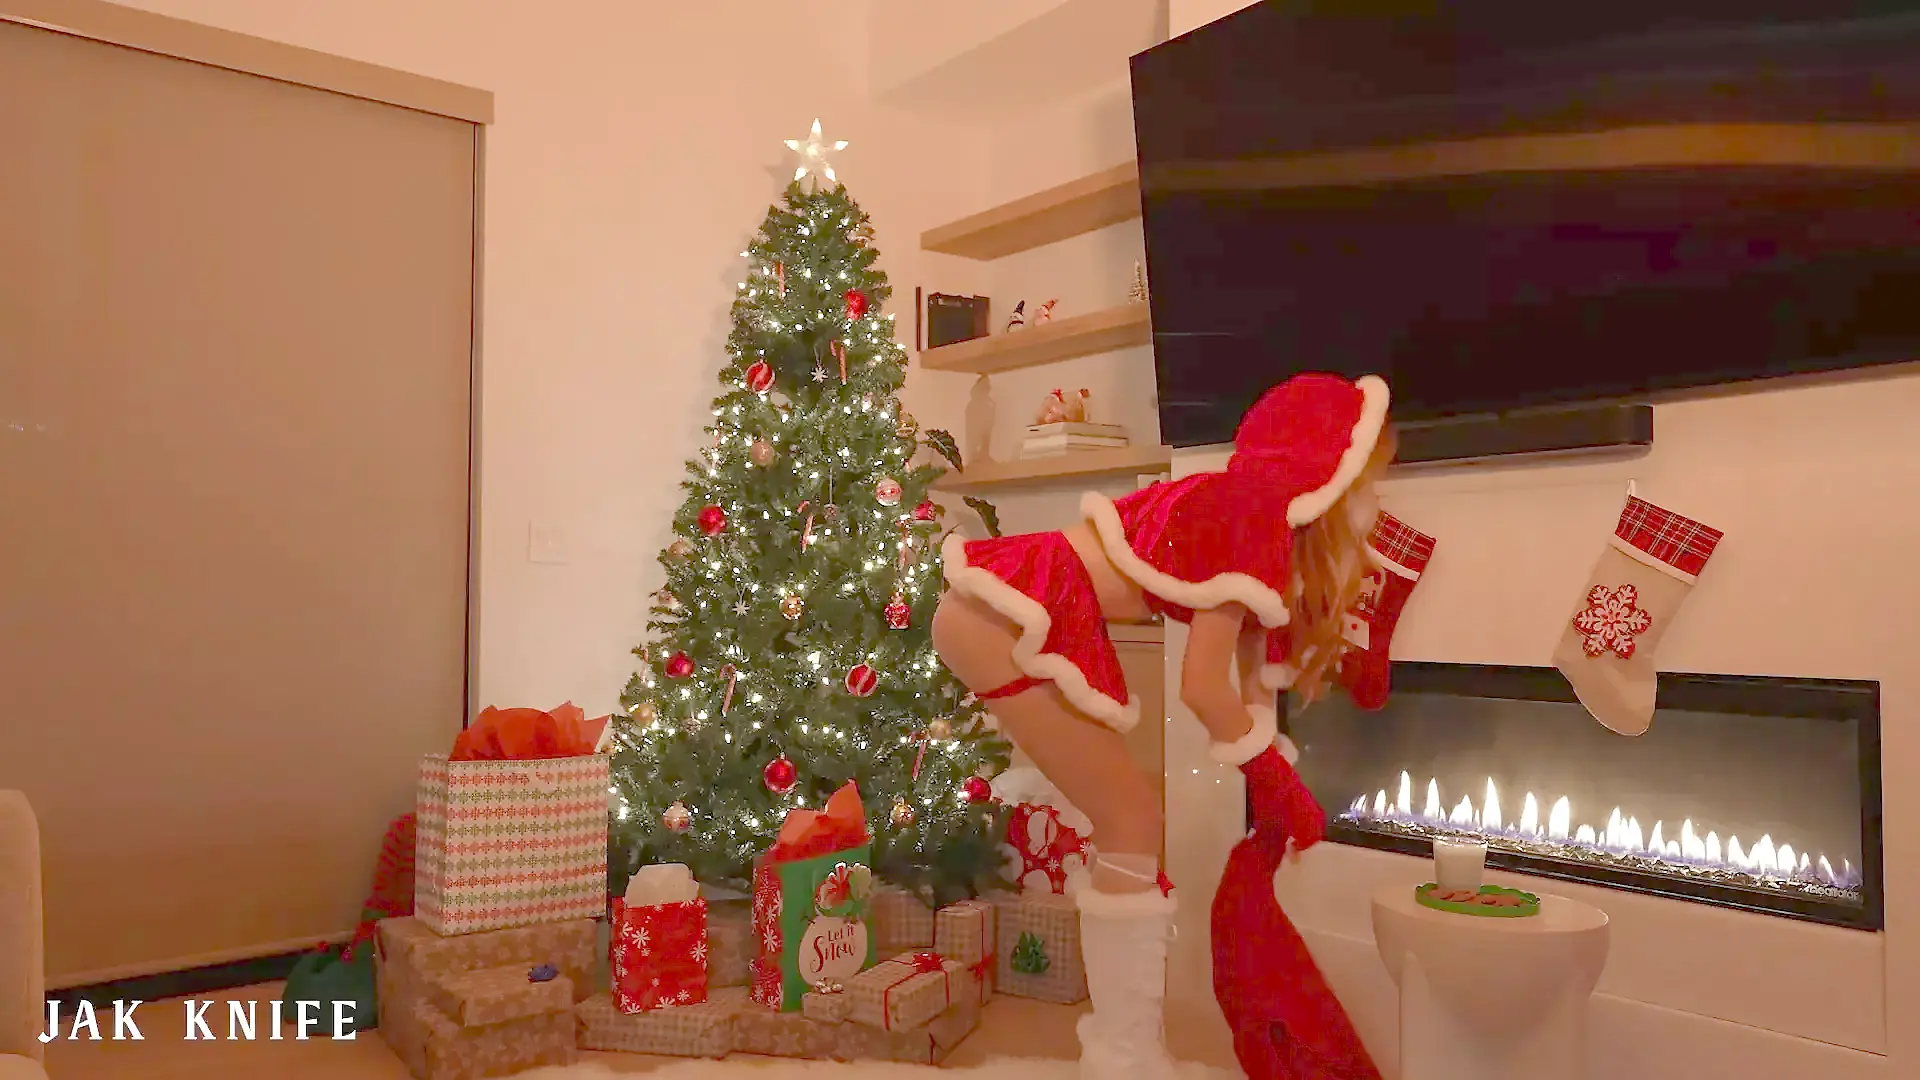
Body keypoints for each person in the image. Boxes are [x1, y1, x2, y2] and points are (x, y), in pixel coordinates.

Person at [932, 372, 1394, 1079]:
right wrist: (1272, 778)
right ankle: (1125, 1061)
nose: (1375, 502)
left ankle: (1126, 1056)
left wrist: (1270, 773)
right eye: (1371, 481)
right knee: (1132, 819)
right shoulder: (1254, 518)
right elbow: (1203, 687)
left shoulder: (1247, 512)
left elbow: (1248, 679)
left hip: (997, 609)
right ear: (1330, 467)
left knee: (1131, 819)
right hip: (1004, 614)